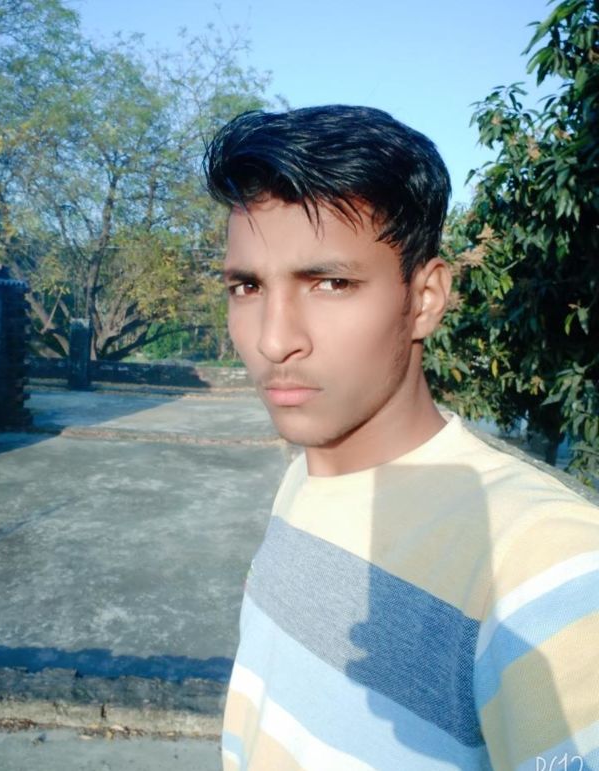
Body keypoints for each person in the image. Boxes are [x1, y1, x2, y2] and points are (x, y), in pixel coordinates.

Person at [203, 105, 599, 771]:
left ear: (425, 299)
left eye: (331, 283)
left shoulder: (543, 560)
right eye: (247, 286)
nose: (273, 339)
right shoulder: (304, 478)